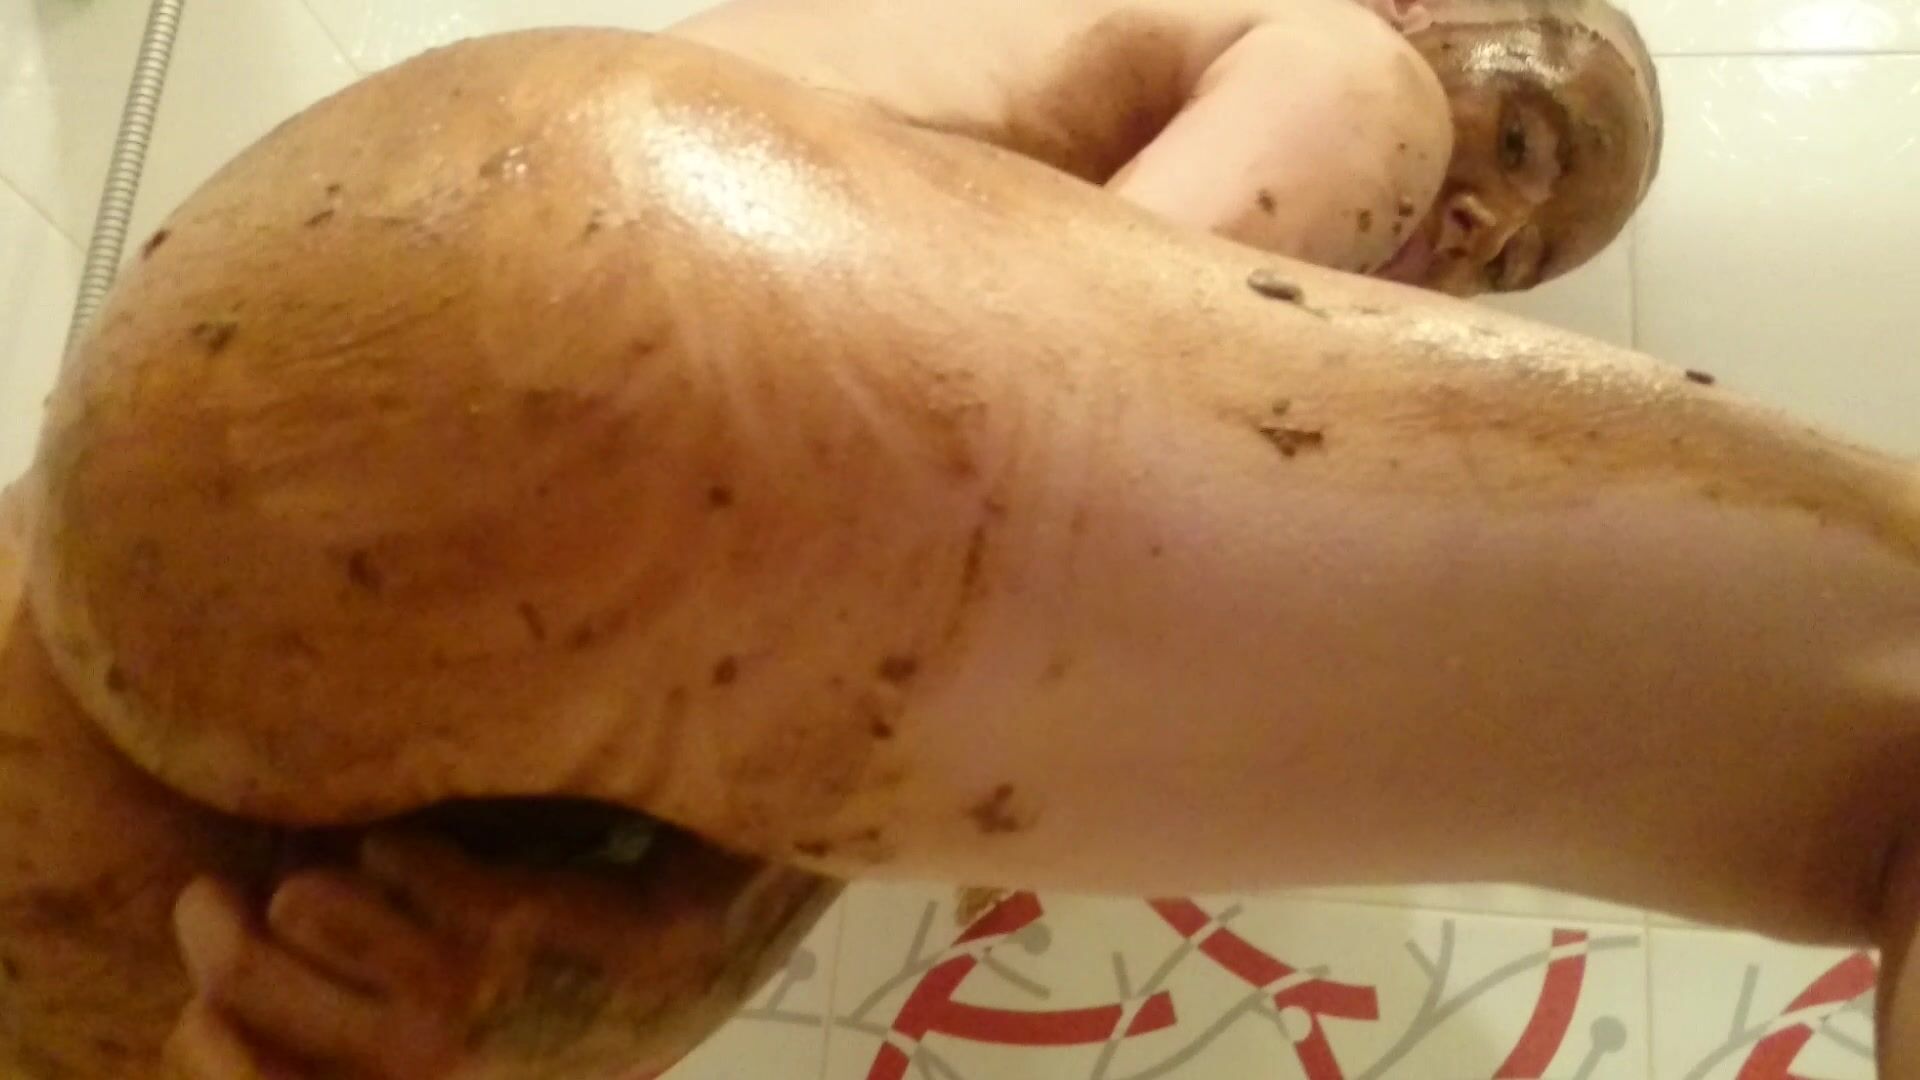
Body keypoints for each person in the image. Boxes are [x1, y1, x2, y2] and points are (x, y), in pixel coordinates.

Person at [23, 18, 1914, 1080]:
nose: (1489, 220)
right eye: (1529, 133)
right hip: (606, 286)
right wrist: (697, 919)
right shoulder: (1352, 59)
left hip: (249, 413)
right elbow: (1005, 422)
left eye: (1533, 249)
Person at [674, 0, 1662, 294]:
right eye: (1519, 142)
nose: (1490, 230)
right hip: (693, 207)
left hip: (666, 198)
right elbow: (1072, 383)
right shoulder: (1365, 75)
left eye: (1513, 267)